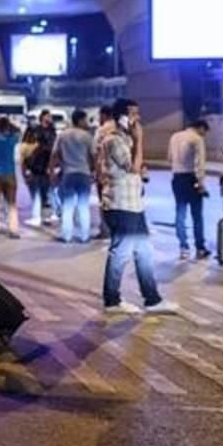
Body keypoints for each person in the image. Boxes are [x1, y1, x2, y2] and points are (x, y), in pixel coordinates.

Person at [97, 98, 179, 316]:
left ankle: (152, 299)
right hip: (120, 204)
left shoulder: (125, 139)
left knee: (144, 251)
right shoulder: (113, 140)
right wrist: (140, 140)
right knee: (120, 252)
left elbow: (137, 167)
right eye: (133, 113)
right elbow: (132, 167)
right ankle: (112, 299)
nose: (137, 118)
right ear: (121, 116)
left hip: (133, 204)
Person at [168, 118, 210, 260]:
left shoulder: (174, 136)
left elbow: (169, 157)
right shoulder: (197, 139)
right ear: (201, 128)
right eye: (205, 132)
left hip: (177, 177)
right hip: (191, 178)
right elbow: (200, 164)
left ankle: (183, 247)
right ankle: (200, 248)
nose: (204, 135)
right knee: (197, 215)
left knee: (180, 212)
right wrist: (201, 184)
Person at [51, 109, 95, 244]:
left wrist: (52, 171)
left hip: (68, 173)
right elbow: (93, 155)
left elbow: (54, 154)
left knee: (68, 205)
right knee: (83, 204)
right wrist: (94, 171)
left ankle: (66, 235)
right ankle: (84, 235)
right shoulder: (87, 136)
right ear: (80, 120)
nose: (87, 122)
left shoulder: (62, 135)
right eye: (85, 119)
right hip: (84, 173)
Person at [21, 110, 56, 226]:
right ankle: (37, 216)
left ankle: (46, 216)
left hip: (46, 165)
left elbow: (53, 148)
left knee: (46, 192)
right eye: (47, 116)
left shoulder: (52, 131)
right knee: (36, 191)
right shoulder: (35, 131)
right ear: (42, 118)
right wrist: (26, 165)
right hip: (35, 165)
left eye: (50, 116)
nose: (50, 118)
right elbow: (26, 149)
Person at [93, 105, 115, 240]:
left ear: (104, 115)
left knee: (105, 201)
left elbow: (96, 153)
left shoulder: (101, 130)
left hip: (105, 171)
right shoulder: (121, 128)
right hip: (120, 172)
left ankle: (105, 230)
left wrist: (96, 172)